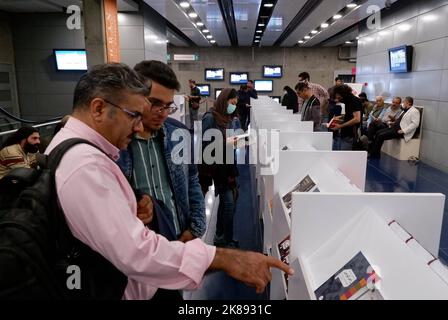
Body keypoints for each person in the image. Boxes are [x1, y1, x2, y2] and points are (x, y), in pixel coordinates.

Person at [45, 63, 292, 299]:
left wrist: (183, 223)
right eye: (135, 113)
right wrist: (227, 259)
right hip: (136, 275)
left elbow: (191, 179)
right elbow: (137, 253)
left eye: (168, 106)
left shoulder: (170, 135)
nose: (137, 124)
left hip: (167, 257)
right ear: (98, 108)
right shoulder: (88, 164)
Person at [119, 60, 206, 246]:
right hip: (135, 247)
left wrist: (196, 228)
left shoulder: (179, 134)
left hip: (178, 238)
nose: (164, 113)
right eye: (155, 103)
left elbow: (192, 180)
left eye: (168, 105)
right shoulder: (116, 142)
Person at [198, 88, 240, 248]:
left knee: (228, 203)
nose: (233, 106)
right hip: (216, 167)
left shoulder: (227, 118)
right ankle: (224, 238)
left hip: (227, 165)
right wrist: (228, 143)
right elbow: (207, 144)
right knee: (228, 203)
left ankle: (222, 236)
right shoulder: (210, 117)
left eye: (235, 104)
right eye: (232, 103)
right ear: (224, 100)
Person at [330, 84, 363, 150]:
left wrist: (340, 126)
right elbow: (348, 116)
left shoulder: (355, 101)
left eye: (339, 98)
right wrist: (338, 119)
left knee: (344, 158)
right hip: (343, 133)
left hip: (350, 134)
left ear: (344, 94)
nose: (338, 100)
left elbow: (357, 119)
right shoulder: (347, 101)